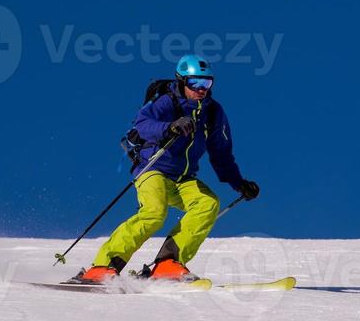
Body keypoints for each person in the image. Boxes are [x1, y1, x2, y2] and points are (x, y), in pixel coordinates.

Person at [76, 54, 260, 283]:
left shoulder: (212, 112)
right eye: (195, 83)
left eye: (207, 83)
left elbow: (221, 153)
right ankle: (103, 266)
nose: (201, 89)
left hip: (183, 178)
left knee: (208, 203)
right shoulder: (167, 101)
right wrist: (170, 127)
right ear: (182, 81)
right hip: (152, 169)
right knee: (154, 212)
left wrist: (239, 183)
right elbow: (141, 124)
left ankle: (167, 263)